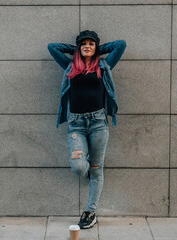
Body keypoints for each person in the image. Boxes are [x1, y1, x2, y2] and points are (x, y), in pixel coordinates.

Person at [47, 30, 126, 229]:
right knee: (80, 168)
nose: (87, 46)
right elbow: (53, 48)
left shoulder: (104, 66)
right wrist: (77, 50)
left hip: (99, 123)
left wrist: (98, 49)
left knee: (97, 169)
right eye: (84, 44)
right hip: (76, 125)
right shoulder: (69, 66)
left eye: (91, 44)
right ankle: (88, 166)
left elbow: (120, 44)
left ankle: (90, 212)